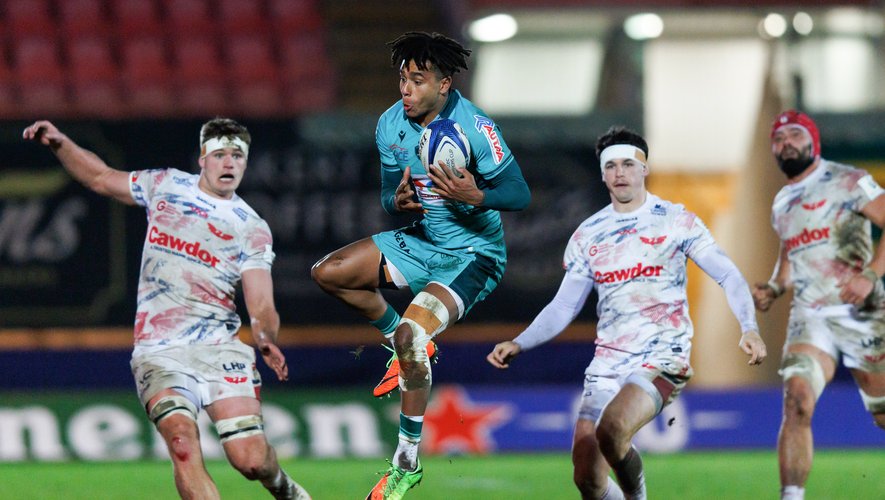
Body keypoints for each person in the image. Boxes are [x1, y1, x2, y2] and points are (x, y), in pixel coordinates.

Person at [22, 119, 310, 500]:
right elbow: (101, 178)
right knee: (181, 442)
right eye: (220, 154)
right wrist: (61, 143)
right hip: (159, 351)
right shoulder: (166, 184)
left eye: (237, 156)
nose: (228, 163)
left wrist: (265, 336)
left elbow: (260, 300)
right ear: (202, 158)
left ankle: (284, 488)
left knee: (250, 460)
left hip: (219, 348)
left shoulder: (251, 227)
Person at [487, 126, 767, 500]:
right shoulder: (588, 234)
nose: (620, 172)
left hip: (662, 357)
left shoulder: (676, 220)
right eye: (611, 166)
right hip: (608, 363)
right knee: (587, 477)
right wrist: (520, 342)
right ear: (603, 174)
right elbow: (565, 305)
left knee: (613, 428)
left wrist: (749, 327)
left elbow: (728, 275)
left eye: (628, 164)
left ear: (644, 168)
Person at [311, 31, 530, 499]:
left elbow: (519, 192)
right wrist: (399, 201)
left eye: (417, 80)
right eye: (402, 79)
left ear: (444, 84)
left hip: (473, 255)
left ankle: (405, 463)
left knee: (413, 335)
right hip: (423, 241)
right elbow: (389, 196)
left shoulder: (476, 127)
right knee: (329, 273)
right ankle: (404, 344)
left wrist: (478, 195)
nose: (405, 90)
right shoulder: (390, 123)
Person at [751, 110, 885, 500]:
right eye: (779, 139)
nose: (786, 143)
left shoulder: (850, 180)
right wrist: (775, 287)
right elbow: (790, 259)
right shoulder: (782, 202)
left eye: (795, 134)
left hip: (861, 311)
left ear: (814, 140)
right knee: (796, 400)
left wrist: (870, 275)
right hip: (810, 315)